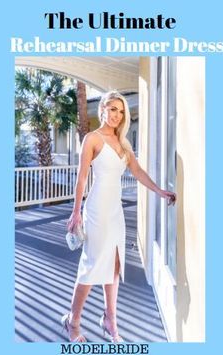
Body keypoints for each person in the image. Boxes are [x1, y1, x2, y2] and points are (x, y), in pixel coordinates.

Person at [62, 90, 176, 343]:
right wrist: (75, 212)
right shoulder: (92, 139)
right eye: (113, 109)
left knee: (115, 266)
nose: (117, 115)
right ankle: (73, 321)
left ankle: (110, 320)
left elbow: (137, 171)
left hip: (115, 211)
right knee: (91, 267)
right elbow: (82, 177)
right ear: (103, 108)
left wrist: (159, 191)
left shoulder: (122, 142)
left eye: (121, 111)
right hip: (97, 209)